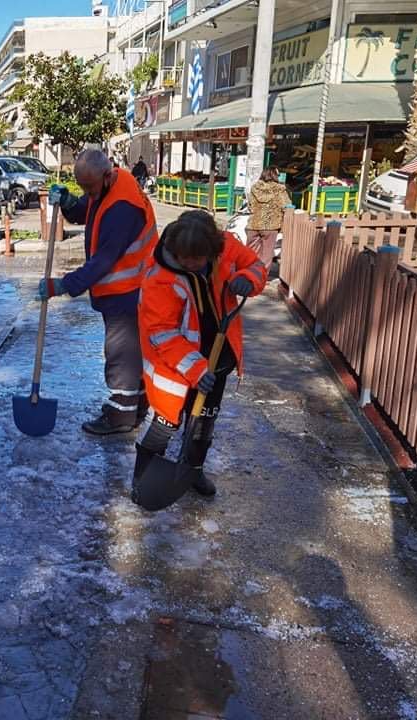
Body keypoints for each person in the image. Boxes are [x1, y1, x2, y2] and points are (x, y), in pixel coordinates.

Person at [133, 210, 266, 499]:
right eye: (184, 257)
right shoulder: (159, 280)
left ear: (213, 250)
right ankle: (143, 476)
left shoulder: (225, 246)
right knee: (166, 420)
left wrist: (247, 279)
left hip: (219, 356)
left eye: (198, 258)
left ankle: (192, 470)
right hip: (175, 367)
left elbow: (256, 266)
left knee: (205, 419)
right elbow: (164, 335)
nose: (190, 263)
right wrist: (195, 370)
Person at [39, 149, 158, 435]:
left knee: (121, 353)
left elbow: (104, 259)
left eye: (89, 187)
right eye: (82, 187)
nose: (87, 193)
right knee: (131, 353)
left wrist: (65, 284)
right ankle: (136, 407)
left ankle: (121, 416)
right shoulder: (109, 186)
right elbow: (87, 208)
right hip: (126, 287)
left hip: (130, 289)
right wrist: (69, 202)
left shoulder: (123, 207)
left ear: (106, 174)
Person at [245, 167, 291, 269]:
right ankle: (261, 276)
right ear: (275, 175)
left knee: (250, 253)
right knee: (266, 254)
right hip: (271, 226)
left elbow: (250, 205)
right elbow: (286, 206)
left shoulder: (255, 187)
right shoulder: (280, 189)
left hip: (253, 224)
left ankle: (248, 274)